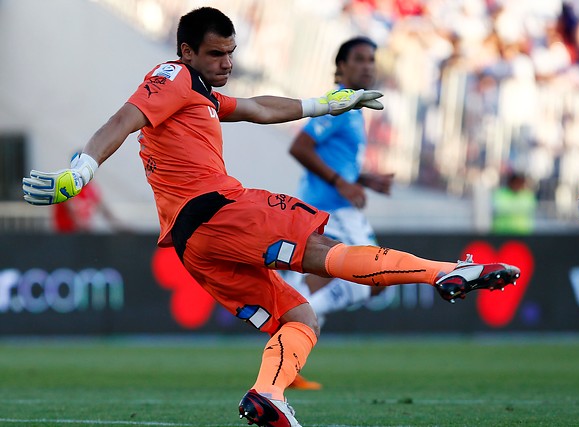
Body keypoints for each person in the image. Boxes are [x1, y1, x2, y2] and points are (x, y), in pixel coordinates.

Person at [23, 8, 520, 427]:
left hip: (193, 244)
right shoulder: (171, 77)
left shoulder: (199, 94)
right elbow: (122, 119)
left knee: (299, 316)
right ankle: (445, 272)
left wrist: (325, 103)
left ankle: (269, 395)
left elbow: (259, 108)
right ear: (186, 51)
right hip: (219, 211)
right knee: (322, 253)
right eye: (215, 53)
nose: (227, 62)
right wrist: (82, 170)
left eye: (230, 52)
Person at [287, 36, 392, 347]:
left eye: (371, 59)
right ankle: (291, 320)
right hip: (331, 207)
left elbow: (336, 159)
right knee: (372, 278)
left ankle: (290, 334)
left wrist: (364, 178)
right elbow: (300, 146)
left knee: (337, 278)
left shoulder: (355, 108)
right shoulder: (338, 104)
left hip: (333, 204)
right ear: (341, 66)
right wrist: (341, 183)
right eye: (359, 59)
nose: (367, 66)